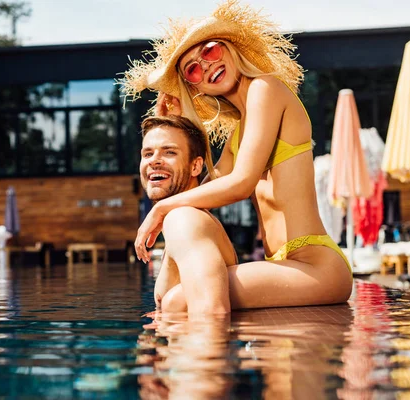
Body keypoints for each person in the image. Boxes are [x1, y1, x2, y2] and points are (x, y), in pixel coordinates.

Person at [121, 0, 353, 310]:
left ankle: (202, 358)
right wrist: (180, 122)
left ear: (230, 48)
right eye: (192, 69)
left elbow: (242, 183)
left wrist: (160, 209)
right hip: (284, 266)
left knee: (179, 302)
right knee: (176, 294)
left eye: (210, 50)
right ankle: (165, 356)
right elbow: (200, 192)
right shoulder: (238, 135)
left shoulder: (265, 88)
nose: (206, 66)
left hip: (316, 265)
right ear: (196, 89)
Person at [140, 115, 237, 314]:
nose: (155, 161)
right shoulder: (182, 218)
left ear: (195, 166)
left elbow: (212, 311)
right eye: (148, 153)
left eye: (169, 152)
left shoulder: (185, 219)